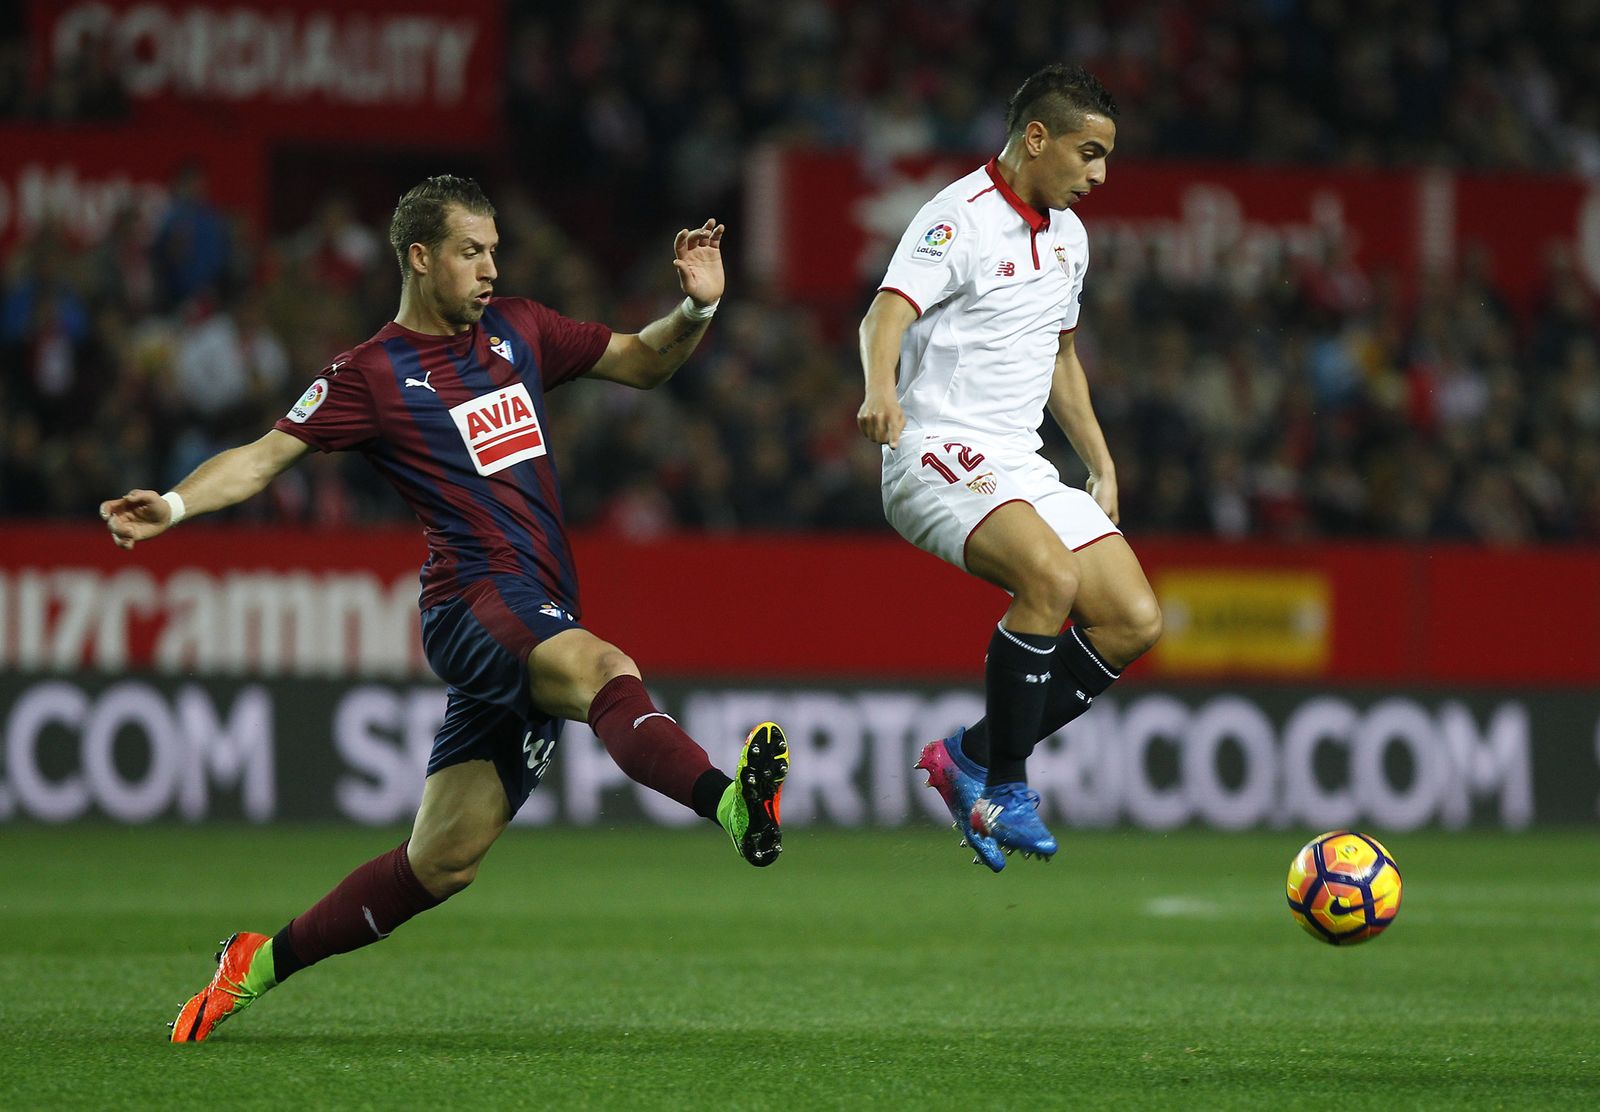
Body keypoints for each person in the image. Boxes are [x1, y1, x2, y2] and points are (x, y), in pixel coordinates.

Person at [101, 175, 790, 1041]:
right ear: (421, 258)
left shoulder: (522, 330)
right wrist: (170, 505)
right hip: (473, 601)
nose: (491, 269)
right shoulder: (372, 374)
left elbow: (642, 361)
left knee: (441, 863)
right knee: (605, 668)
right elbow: (260, 459)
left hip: (534, 603)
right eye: (472, 252)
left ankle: (254, 962)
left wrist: (694, 311)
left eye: (495, 251)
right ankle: (733, 806)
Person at [856, 64, 1162, 872]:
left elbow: (1060, 359)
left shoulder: (1070, 236)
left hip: (1018, 463)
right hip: (932, 448)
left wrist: (1099, 464)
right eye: (1088, 152)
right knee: (1050, 581)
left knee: (1133, 619)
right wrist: (880, 389)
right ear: (1037, 138)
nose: (1099, 174)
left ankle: (966, 757)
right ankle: (1007, 785)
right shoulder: (958, 217)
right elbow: (886, 309)